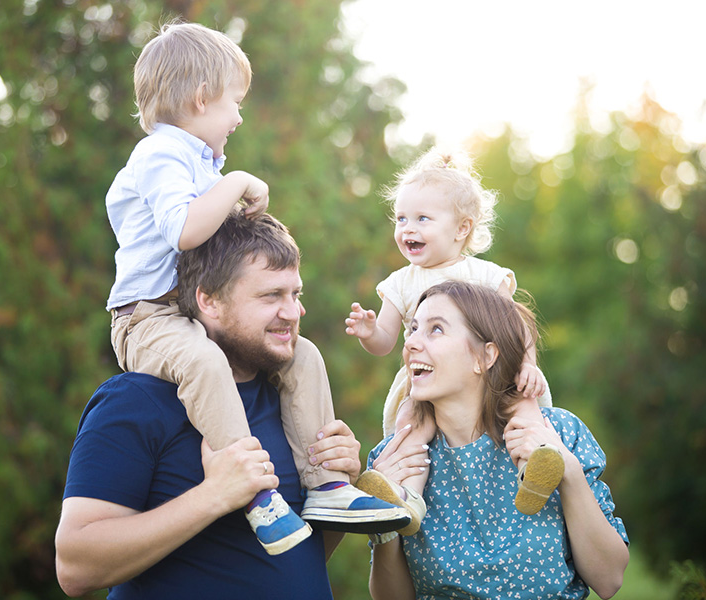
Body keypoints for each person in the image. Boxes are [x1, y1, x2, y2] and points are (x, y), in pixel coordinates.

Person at [104, 21, 394, 554]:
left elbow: (217, 247)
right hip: (146, 318)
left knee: (303, 356)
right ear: (200, 98)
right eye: (234, 102)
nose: (239, 115)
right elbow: (186, 230)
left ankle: (325, 484)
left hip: (190, 311)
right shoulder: (160, 155)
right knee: (205, 363)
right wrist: (235, 184)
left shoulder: (198, 161)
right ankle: (257, 493)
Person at [55, 212, 410, 598]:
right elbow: (76, 567)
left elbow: (296, 556)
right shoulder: (135, 400)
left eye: (296, 294)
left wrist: (339, 484)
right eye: (271, 295)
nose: (292, 312)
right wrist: (214, 497)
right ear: (208, 300)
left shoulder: (291, 403)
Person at [364, 281, 630, 599]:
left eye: (435, 330)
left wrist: (568, 471)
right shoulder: (394, 458)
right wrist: (384, 526)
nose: (410, 345)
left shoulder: (556, 433)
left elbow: (609, 579)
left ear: (485, 357)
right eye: (413, 330)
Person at [346, 147, 559, 530]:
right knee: (410, 424)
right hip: (427, 378)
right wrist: (368, 331)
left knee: (522, 404)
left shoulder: (483, 274)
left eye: (422, 219)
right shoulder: (402, 281)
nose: (407, 228)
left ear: (462, 228)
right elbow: (385, 343)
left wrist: (527, 363)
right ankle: (407, 497)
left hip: (493, 374)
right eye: (401, 219)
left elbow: (516, 326)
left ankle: (535, 467)